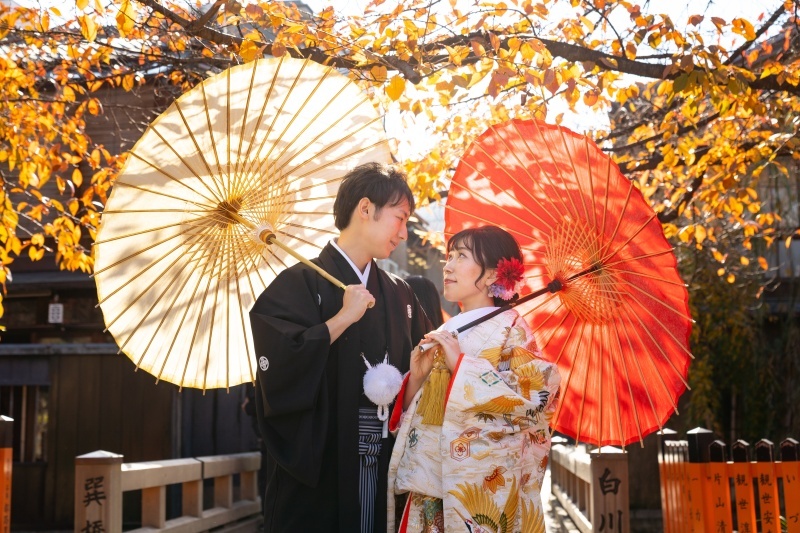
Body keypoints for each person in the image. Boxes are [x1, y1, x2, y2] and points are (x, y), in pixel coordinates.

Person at [249, 162, 432, 533]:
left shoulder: (400, 294)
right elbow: (280, 369)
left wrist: (421, 375)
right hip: (323, 461)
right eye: (399, 218)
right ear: (365, 209)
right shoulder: (297, 284)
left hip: (387, 458)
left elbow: (422, 377)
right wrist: (342, 318)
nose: (403, 233)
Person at [387, 225, 561, 532]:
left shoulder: (512, 330)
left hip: (480, 490)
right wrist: (417, 379)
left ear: (494, 275)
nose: (448, 265)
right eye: (450, 256)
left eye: (461, 256)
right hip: (430, 481)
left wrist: (462, 367)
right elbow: (427, 410)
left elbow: (535, 401)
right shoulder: (450, 328)